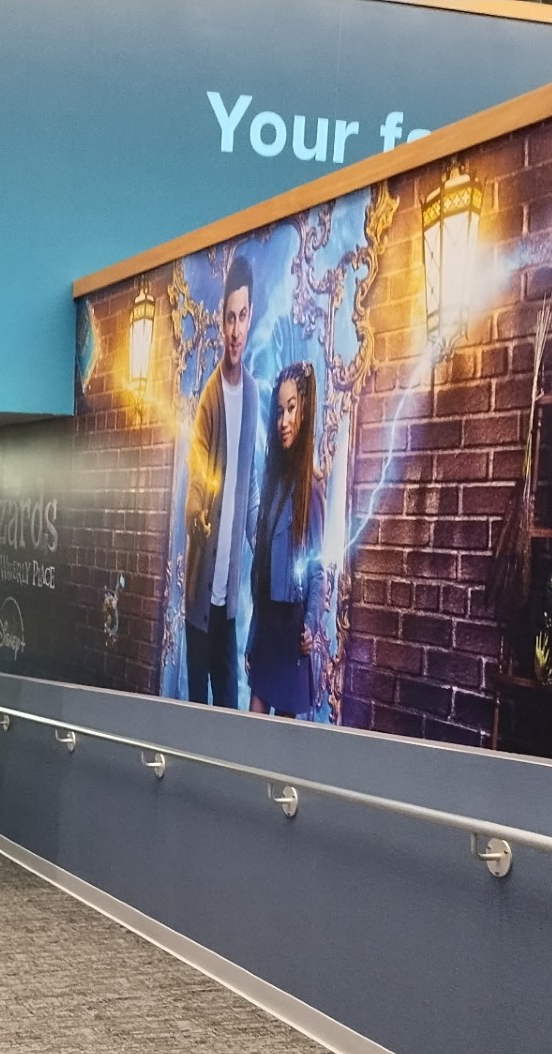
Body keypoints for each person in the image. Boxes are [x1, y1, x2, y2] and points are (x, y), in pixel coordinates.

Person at [183, 254, 259, 707]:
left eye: (242, 317)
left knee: (229, 709)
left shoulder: (252, 395)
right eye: (229, 318)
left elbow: (249, 493)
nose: (235, 330)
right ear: (220, 321)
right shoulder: (210, 400)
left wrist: (265, 547)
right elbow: (198, 480)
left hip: (227, 605)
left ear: (250, 318)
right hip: (199, 606)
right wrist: (197, 518)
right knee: (197, 713)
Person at [246, 362, 326, 718]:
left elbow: (317, 571)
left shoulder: (312, 490)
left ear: (304, 412)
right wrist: (253, 636)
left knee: (281, 738)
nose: (284, 420)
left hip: (293, 631)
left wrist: (310, 625)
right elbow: (261, 572)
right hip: (268, 625)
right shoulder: (272, 484)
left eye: (291, 408)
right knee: (252, 730)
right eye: (279, 411)